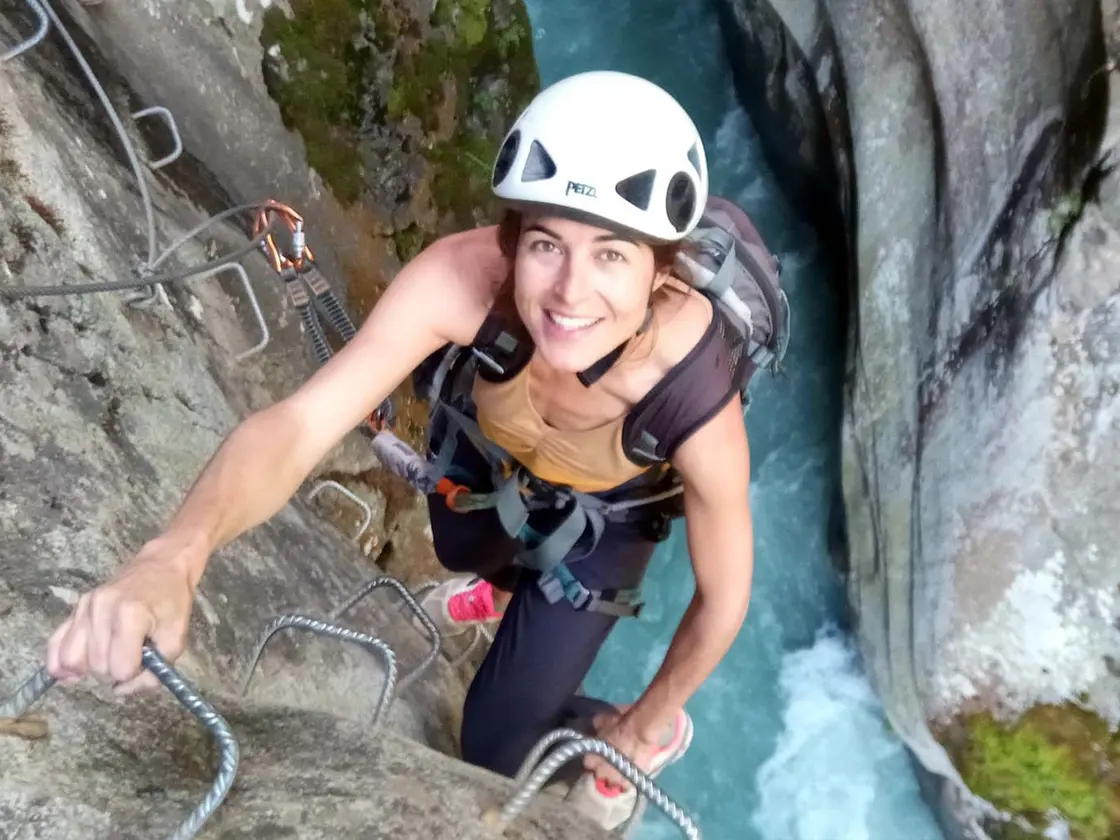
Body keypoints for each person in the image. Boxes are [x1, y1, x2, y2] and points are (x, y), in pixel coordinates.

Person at [44, 70, 756, 830]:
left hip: (603, 517)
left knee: (491, 743)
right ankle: (508, 590)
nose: (570, 294)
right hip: (500, 458)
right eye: (547, 245)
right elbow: (300, 424)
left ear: (660, 270)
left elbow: (725, 596)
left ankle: (625, 744)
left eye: (612, 255)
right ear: (514, 238)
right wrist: (174, 556)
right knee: (459, 546)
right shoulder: (461, 281)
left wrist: (650, 718)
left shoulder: (691, 389)